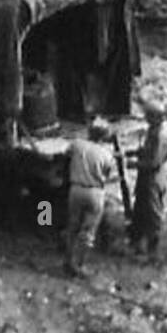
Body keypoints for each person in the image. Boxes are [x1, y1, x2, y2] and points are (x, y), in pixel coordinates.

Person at [64, 118, 116, 278]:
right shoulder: (107, 154)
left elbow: (66, 153)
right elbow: (110, 177)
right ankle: (79, 265)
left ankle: (67, 261)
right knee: (87, 232)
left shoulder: (77, 144)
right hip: (95, 192)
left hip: (76, 190)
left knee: (72, 226)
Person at [129, 101, 167, 260]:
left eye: (148, 116)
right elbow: (147, 151)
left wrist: (133, 164)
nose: (146, 119)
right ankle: (137, 245)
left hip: (153, 178)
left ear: (156, 117)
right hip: (145, 176)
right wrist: (134, 153)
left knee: (153, 214)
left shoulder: (161, 135)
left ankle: (153, 253)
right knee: (140, 209)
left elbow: (154, 162)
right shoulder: (153, 130)